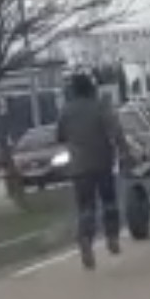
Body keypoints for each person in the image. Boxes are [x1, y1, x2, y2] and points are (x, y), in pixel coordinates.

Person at [57, 71, 129, 268]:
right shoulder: (100, 106)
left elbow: (60, 136)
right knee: (109, 202)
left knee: (85, 207)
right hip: (102, 161)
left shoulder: (66, 110)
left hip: (79, 166)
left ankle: (85, 238)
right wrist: (124, 151)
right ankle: (112, 237)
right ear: (91, 88)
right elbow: (115, 131)